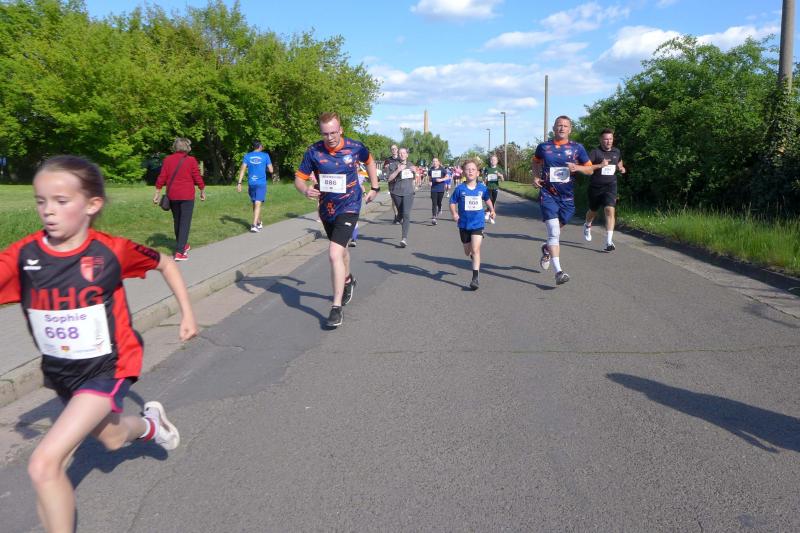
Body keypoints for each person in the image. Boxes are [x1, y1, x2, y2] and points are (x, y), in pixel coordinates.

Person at [0, 155, 197, 533]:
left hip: (109, 366)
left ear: (92, 205)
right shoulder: (25, 256)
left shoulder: (110, 251)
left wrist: (187, 314)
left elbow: (167, 263)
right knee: (112, 438)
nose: (48, 211)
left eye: (61, 201)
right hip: (61, 372)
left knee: (45, 464)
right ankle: (150, 425)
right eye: (41, 201)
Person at [295, 112, 379, 328]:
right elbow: (299, 178)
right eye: (325, 134)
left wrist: (375, 187)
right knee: (341, 251)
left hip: (350, 206)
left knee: (333, 253)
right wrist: (305, 190)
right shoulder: (314, 151)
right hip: (327, 209)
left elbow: (370, 161)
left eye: (333, 132)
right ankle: (348, 280)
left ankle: (336, 307)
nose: (330, 137)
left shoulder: (355, 147)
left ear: (340, 130)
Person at [532, 116, 593, 285]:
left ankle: (546, 248)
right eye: (559, 125)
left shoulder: (577, 148)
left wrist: (577, 167)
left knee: (556, 231)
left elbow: (589, 170)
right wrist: (536, 176)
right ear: (553, 128)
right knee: (554, 232)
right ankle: (558, 272)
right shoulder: (544, 147)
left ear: (570, 129)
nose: (562, 128)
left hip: (567, 197)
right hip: (548, 194)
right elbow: (535, 162)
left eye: (565, 126)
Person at [153, 137, 206, 261]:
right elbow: (197, 176)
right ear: (187, 147)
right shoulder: (191, 160)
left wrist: (157, 192)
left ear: (175, 147)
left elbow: (162, 177)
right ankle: (180, 252)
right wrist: (202, 190)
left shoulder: (167, 160)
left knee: (177, 221)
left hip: (173, 195)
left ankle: (182, 245)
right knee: (185, 223)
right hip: (187, 196)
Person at [449, 159, 495, 290]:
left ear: (477, 173)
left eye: (473, 169)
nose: (470, 171)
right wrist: (454, 213)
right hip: (464, 224)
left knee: (475, 250)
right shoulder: (460, 189)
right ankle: (472, 255)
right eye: (468, 169)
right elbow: (452, 202)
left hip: (478, 223)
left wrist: (492, 210)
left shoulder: (482, 188)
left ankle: (475, 278)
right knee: (467, 251)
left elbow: (487, 199)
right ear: (463, 172)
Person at [583, 128, 626, 251]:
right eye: (606, 139)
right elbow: (586, 168)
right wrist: (600, 165)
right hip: (595, 186)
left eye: (610, 139)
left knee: (609, 210)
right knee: (593, 210)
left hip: (610, 185)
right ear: (601, 140)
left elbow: (619, 161)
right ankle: (587, 225)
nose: (608, 141)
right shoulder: (595, 152)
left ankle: (609, 242)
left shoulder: (616, 151)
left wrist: (621, 168)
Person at [237, 140, 275, 233]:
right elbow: (271, 170)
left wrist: (239, 183)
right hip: (261, 183)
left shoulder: (247, 156)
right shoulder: (265, 156)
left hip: (251, 183)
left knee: (256, 203)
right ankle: (254, 225)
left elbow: (242, 170)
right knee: (257, 203)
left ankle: (258, 222)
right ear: (260, 146)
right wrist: (264, 167)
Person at [386, 147, 417, 247]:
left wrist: (415, 172)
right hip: (396, 192)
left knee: (406, 214)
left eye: (404, 153)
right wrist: (398, 170)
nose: (402, 154)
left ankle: (404, 238)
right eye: (400, 153)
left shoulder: (411, 165)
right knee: (400, 214)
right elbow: (389, 179)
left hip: (408, 192)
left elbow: (414, 178)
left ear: (407, 155)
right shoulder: (393, 165)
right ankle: (398, 218)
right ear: (398, 155)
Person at [483, 154, 505, 224]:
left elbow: (502, 180)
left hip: (495, 187)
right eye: (492, 160)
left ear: (497, 161)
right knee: (489, 200)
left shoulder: (499, 169)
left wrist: (500, 175)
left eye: (494, 160)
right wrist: (485, 179)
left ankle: (489, 213)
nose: (493, 161)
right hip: (488, 187)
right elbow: (484, 178)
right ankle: (489, 215)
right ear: (490, 161)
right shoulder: (487, 168)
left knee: (493, 202)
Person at [383, 144, 400, 223]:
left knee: (400, 199)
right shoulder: (388, 160)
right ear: (391, 150)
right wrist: (385, 168)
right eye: (392, 149)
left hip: (400, 181)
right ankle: (396, 215)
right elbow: (384, 171)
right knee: (394, 200)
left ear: (397, 149)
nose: (394, 150)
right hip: (391, 182)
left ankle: (400, 214)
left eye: (395, 149)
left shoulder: (400, 159)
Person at [429, 157, 448, 224]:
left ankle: (440, 207)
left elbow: (447, 177)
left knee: (439, 202)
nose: (434, 162)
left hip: (440, 188)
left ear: (438, 162)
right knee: (434, 203)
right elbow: (430, 178)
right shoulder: (431, 169)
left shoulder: (442, 169)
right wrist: (430, 182)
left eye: (436, 161)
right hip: (433, 188)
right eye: (433, 161)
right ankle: (434, 218)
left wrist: (441, 180)